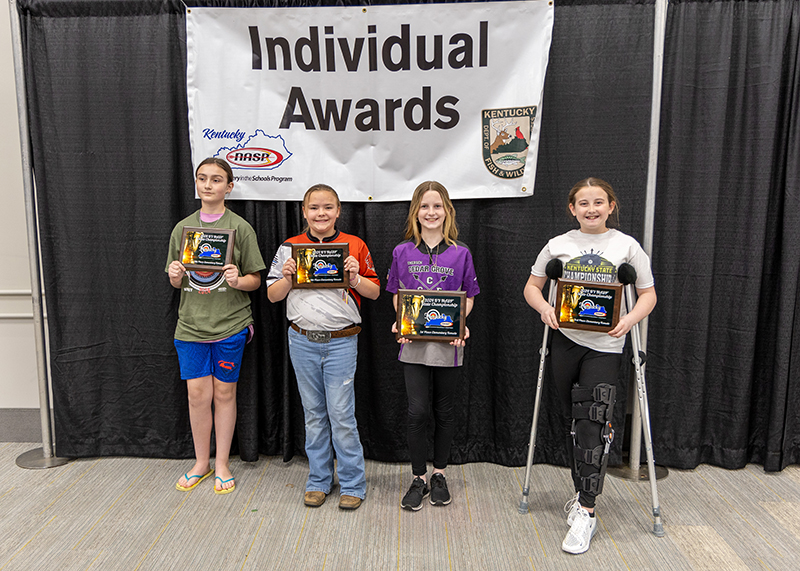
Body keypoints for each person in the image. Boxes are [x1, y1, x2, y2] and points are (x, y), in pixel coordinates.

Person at [523, 177, 657, 554]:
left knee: (592, 424)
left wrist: (630, 321)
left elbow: (647, 294)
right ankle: (582, 491)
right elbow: (532, 287)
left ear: (611, 206)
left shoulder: (626, 246)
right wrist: (545, 307)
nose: (592, 209)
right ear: (572, 209)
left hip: (606, 347)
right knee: (573, 423)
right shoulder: (558, 245)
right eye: (584, 203)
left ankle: (587, 510)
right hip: (566, 341)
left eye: (599, 202)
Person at [266, 184, 379, 510]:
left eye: (327, 207)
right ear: (304, 212)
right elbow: (273, 295)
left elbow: (374, 292)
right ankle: (319, 479)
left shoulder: (354, 245)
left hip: (341, 342)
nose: (321, 214)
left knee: (342, 415)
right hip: (302, 340)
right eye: (314, 208)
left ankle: (353, 483)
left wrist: (356, 278)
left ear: (338, 211)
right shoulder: (290, 247)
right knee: (314, 415)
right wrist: (287, 277)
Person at [166, 157, 266, 494]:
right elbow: (176, 282)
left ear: (229, 186)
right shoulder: (183, 229)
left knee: (224, 392)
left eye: (216, 180)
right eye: (202, 179)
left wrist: (240, 280)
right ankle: (201, 462)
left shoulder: (240, 228)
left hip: (230, 325)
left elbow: (256, 280)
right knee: (197, 395)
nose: (208, 185)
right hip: (191, 328)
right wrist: (175, 276)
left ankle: (222, 462)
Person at [386, 181, 480, 511]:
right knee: (417, 410)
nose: (431, 212)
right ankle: (418, 477)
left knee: (444, 410)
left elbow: (468, 296)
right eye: (425, 207)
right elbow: (398, 293)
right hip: (413, 341)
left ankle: (439, 473)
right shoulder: (402, 251)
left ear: (447, 212)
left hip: (448, 342)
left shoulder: (461, 252)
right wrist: (400, 319)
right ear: (416, 212)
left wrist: (460, 324)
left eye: (437, 206)